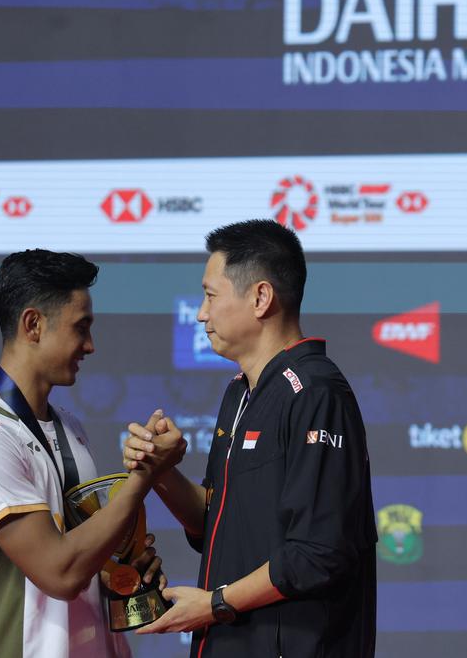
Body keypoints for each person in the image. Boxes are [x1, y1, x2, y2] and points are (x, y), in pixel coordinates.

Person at [123, 220, 377, 657]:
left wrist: (216, 604)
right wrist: (160, 471)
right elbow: (215, 526)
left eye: (210, 295)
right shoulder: (240, 392)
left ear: (260, 297)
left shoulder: (315, 392)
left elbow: (319, 552)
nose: (201, 313)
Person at [0, 249, 183, 658]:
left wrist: (119, 570)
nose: (90, 345)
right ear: (33, 324)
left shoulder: (70, 427)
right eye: (80, 328)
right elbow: (60, 572)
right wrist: (143, 477)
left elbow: (80, 562)